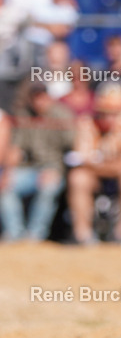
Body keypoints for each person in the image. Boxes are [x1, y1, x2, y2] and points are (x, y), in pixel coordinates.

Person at [66, 81, 121, 244]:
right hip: (96, 177)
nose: (109, 118)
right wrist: (111, 165)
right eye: (104, 112)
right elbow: (81, 159)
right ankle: (83, 234)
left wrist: (99, 164)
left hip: (118, 176)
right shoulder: (87, 121)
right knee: (77, 178)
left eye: (114, 113)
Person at [1, 82, 74, 242]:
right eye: (36, 98)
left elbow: (73, 145)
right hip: (30, 169)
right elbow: (16, 149)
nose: (39, 102)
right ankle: (14, 233)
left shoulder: (62, 115)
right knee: (4, 185)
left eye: (42, 97)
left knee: (48, 187)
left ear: (49, 97)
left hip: (55, 169)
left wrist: (56, 170)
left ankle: (35, 235)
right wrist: (7, 173)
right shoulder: (25, 115)